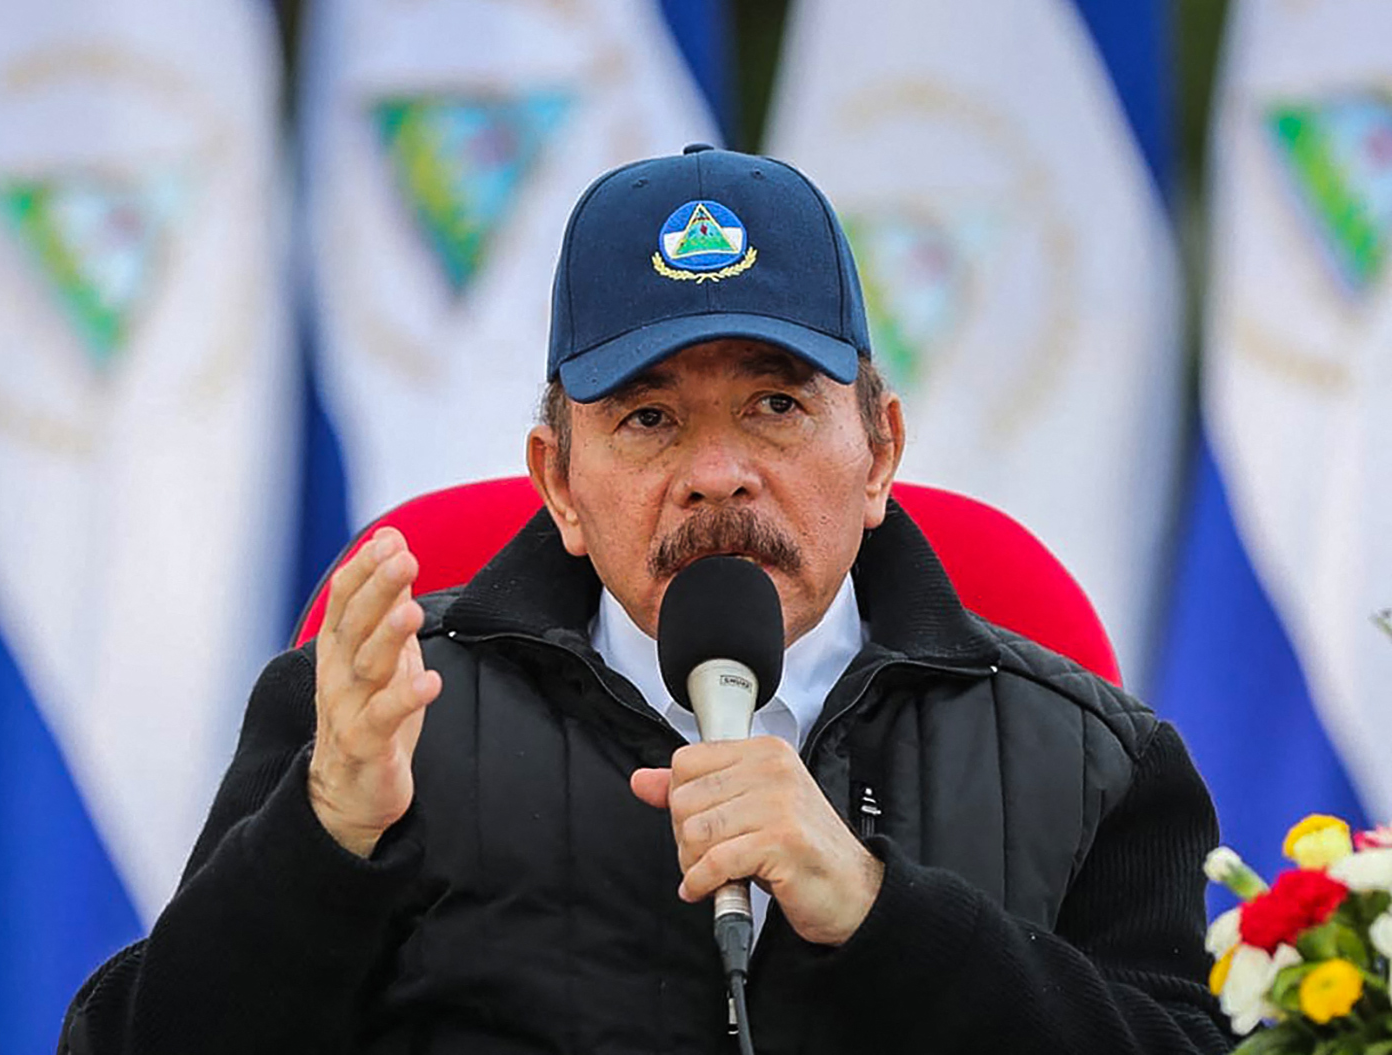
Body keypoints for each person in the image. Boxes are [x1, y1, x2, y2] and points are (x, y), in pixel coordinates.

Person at [61, 146, 1231, 1054]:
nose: (717, 471)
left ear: (879, 451)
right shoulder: (371, 724)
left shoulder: (1095, 760)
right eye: (649, 416)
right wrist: (322, 842)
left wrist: (883, 910)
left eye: (776, 404)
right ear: (559, 485)